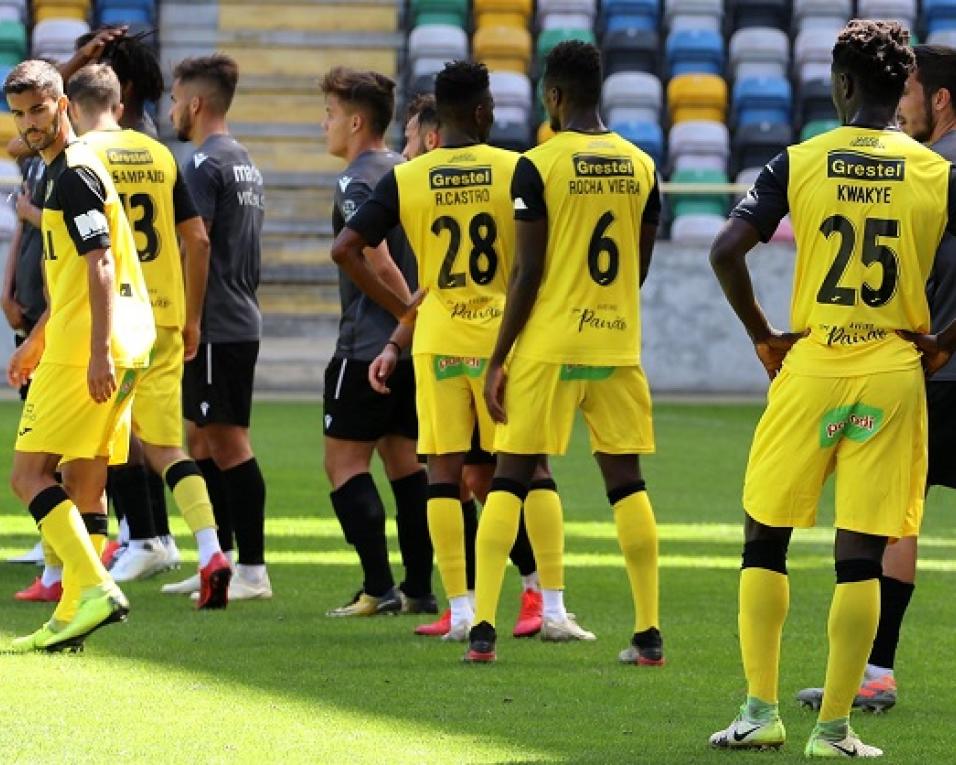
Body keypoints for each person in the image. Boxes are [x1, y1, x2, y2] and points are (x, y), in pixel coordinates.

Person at [707, 21, 956, 758]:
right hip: (893, 371)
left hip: (811, 364)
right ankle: (835, 727)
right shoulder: (935, 171)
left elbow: (726, 248)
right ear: (897, 87)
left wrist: (762, 330)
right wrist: (944, 340)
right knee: (861, 550)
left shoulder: (802, 160)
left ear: (842, 85)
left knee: (766, 538)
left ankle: (759, 711)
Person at [464, 41, 663, 664]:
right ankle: (648, 634)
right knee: (626, 483)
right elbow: (640, 263)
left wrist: (498, 358)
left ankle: (484, 630)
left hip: (550, 344)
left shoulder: (537, 164)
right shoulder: (642, 165)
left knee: (510, 477)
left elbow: (525, 271)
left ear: (553, 95)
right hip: (616, 343)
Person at [796, 43, 956, 716]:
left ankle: (874, 672)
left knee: (888, 521)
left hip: (932, 371)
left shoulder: (928, 168)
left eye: (911, 93)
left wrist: (940, 340)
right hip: (938, 362)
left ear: (939, 99)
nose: (902, 106)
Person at [66, 63, 232, 607]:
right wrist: (192, 318)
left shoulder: (80, 156)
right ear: (119, 104)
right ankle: (210, 549)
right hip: (162, 317)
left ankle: (75, 572)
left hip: (107, 318)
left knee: (83, 445)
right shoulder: (161, 155)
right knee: (165, 447)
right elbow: (199, 239)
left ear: (72, 106)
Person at [4, 59, 156, 651]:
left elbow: (100, 263)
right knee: (85, 485)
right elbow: (71, 273)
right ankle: (73, 617)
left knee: (28, 476)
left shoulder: (72, 174)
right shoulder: (58, 171)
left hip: (90, 349)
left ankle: (93, 587)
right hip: (114, 341)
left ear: (62, 103)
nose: (30, 123)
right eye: (19, 114)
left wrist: (95, 354)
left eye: (39, 109)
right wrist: (38, 340)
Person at [384, 89, 544, 639]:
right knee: (489, 474)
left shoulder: (413, 182)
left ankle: (528, 594)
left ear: (432, 135)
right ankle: (501, 600)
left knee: (459, 474)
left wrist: (402, 320)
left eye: (408, 137)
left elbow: (349, 248)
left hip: (451, 343)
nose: (403, 148)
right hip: (497, 338)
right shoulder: (514, 169)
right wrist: (397, 336)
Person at [319, 67, 434, 617]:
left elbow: (373, 255)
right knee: (407, 466)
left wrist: (402, 316)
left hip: (369, 347)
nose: (326, 125)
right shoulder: (408, 172)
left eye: (331, 114)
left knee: (344, 466)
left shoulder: (355, 181)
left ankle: (376, 587)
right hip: (412, 352)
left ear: (356, 120)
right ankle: (418, 588)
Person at [164, 54, 271, 601]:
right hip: (238, 315)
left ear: (196, 103)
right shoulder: (245, 160)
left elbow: (197, 242)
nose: (172, 108)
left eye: (176, 98)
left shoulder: (204, 165)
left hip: (216, 324)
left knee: (229, 444)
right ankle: (219, 561)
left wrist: (191, 319)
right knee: (199, 438)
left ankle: (253, 568)